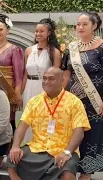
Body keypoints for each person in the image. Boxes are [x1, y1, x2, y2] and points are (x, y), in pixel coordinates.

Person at [7, 67, 91, 180]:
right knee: (12, 160)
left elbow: (79, 133)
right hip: (37, 148)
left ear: (61, 81)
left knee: (67, 173)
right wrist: (16, 146)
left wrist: (67, 152)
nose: (46, 82)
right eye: (44, 78)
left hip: (63, 149)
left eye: (51, 79)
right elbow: (22, 126)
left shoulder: (74, 102)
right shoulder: (34, 101)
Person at [61, 12, 103, 180]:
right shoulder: (71, 47)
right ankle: (69, 169)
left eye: (84, 24)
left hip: (95, 101)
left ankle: (87, 173)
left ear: (94, 26)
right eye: (78, 24)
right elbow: (65, 74)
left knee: (92, 136)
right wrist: (60, 96)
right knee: (72, 134)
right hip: (73, 101)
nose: (80, 27)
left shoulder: (101, 47)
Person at [21, 18, 61, 142]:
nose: (38, 34)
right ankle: (28, 145)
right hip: (29, 87)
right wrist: (20, 93)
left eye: (41, 31)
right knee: (28, 118)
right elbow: (25, 74)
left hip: (45, 88)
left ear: (49, 33)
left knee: (44, 118)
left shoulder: (54, 52)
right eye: (36, 31)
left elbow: (57, 75)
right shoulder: (28, 50)